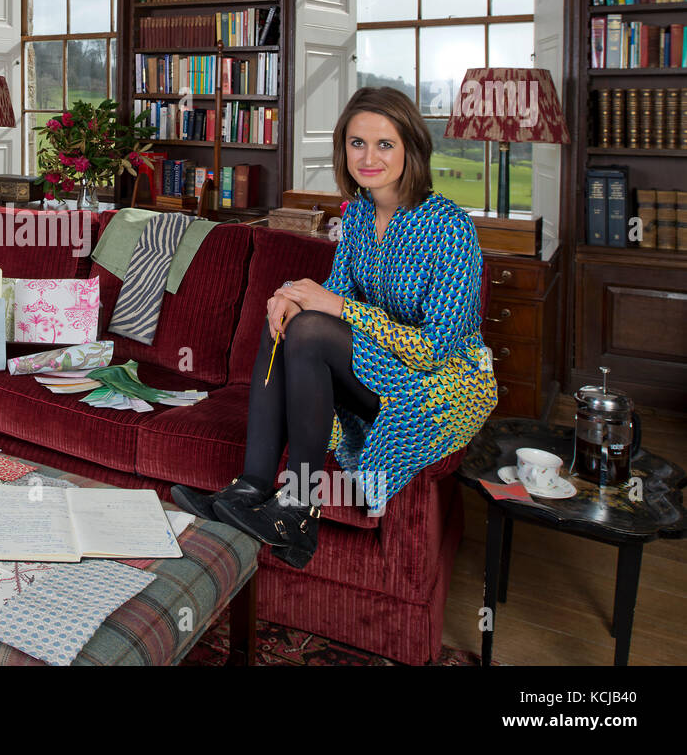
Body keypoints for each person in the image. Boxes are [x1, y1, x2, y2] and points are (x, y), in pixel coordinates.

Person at [172, 86, 498, 568]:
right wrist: (288, 294)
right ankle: (252, 486)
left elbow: (433, 349)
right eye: (356, 143)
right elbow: (333, 289)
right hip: (383, 367)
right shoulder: (360, 214)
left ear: (411, 147)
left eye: (384, 144)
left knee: (309, 327)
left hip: (445, 388)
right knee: (285, 318)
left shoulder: (450, 227)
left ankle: (299, 511)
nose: (368, 157)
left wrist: (339, 308)